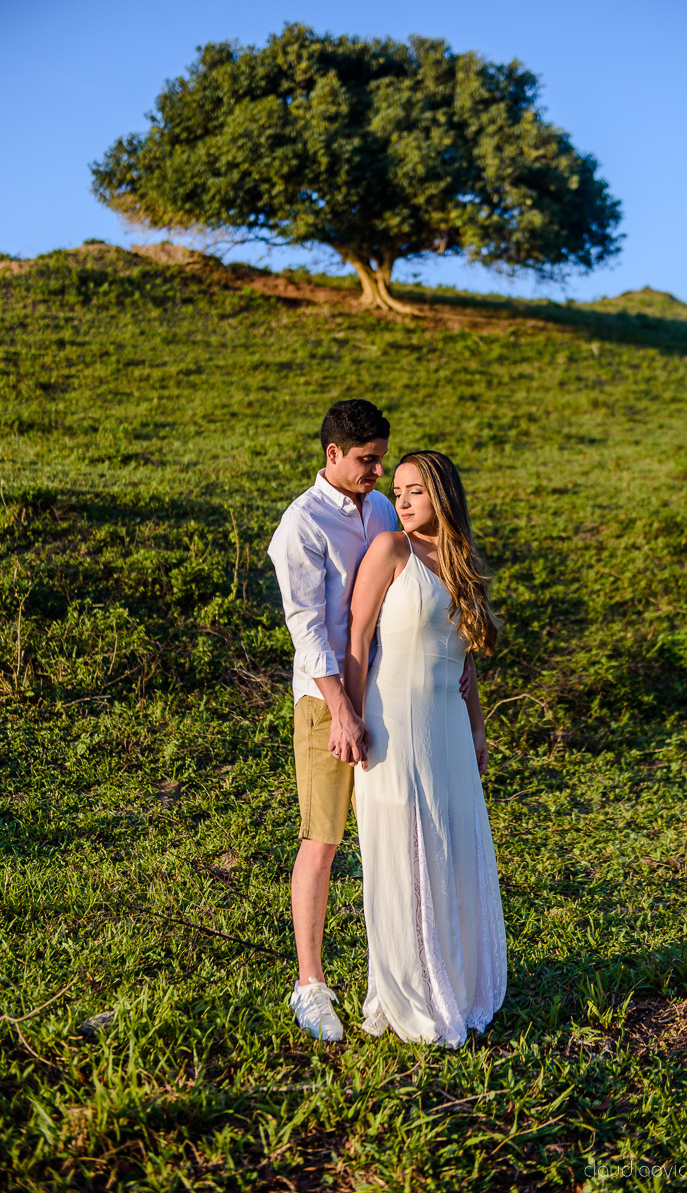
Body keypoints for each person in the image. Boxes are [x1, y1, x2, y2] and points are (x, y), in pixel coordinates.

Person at [344, 451, 507, 1047]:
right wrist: (352, 718)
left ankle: (455, 983)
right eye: (398, 490)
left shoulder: (463, 563)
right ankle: (409, 991)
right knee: (403, 852)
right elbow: (357, 641)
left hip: (449, 729)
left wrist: (479, 729)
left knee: (450, 847)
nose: (404, 501)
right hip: (392, 723)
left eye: (415, 491)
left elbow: (465, 660)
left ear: (443, 495)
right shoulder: (391, 550)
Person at [267, 399, 395, 1041]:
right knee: (323, 838)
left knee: (388, 835)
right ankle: (310, 985)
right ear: (333, 455)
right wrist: (341, 708)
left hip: (389, 692)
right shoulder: (302, 523)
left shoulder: (383, 508)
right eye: (366, 459)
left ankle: (392, 972)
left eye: (380, 458)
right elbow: (307, 624)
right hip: (326, 703)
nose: (377, 469)